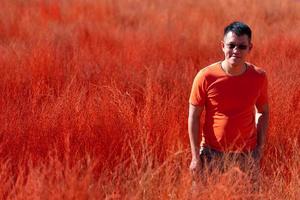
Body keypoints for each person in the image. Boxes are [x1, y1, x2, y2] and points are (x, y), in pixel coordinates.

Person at [188, 21, 269, 187]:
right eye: (231, 45)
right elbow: (194, 117)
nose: (236, 51)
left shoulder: (259, 77)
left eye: (242, 46)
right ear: (222, 46)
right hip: (211, 154)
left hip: (246, 155)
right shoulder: (206, 76)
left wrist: (259, 148)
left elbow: (264, 112)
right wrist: (196, 157)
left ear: (250, 47)